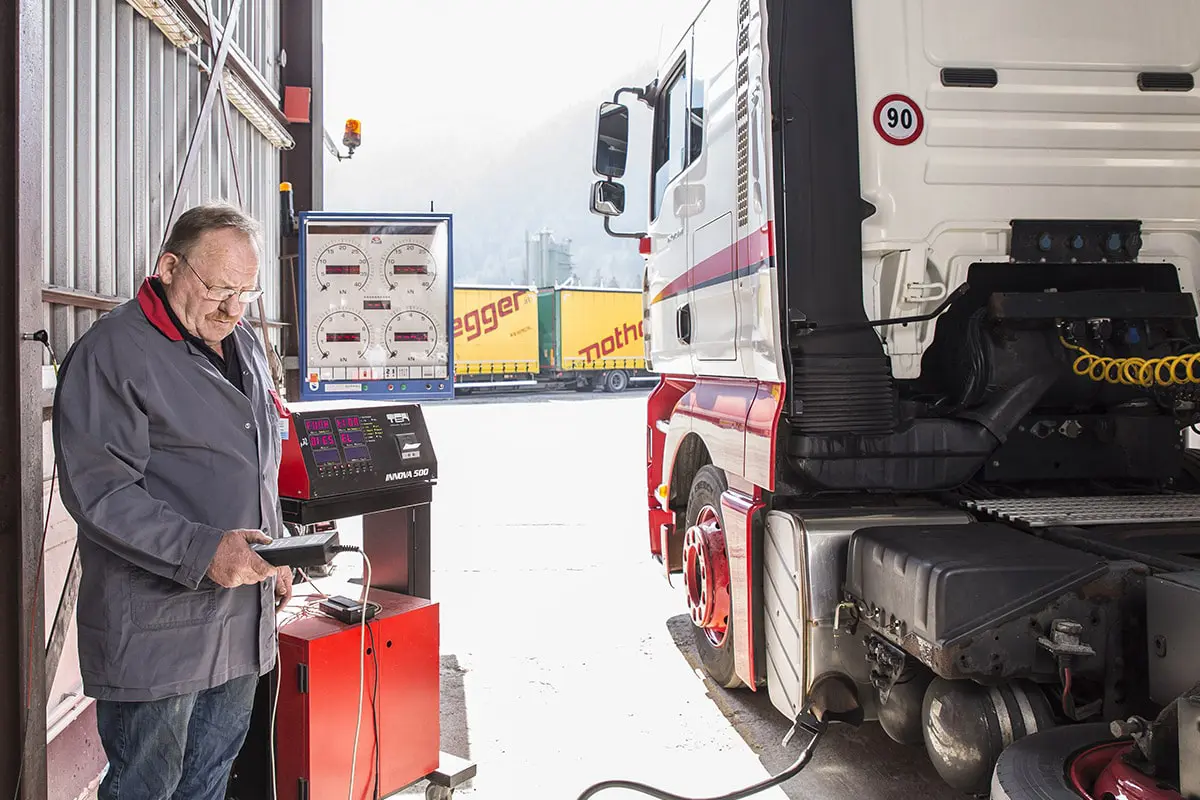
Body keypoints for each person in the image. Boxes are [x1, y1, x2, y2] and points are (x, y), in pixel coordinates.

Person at [52, 202, 294, 800]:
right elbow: (101, 491)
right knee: (147, 786)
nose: (233, 308)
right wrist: (205, 551)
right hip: (158, 631)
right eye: (219, 289)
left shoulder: (244, 343)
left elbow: (256, 462)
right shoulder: (114, 353)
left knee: (209, 780)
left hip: (240, 620)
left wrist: (280, 548)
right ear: (168, 267)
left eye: (246, 292)